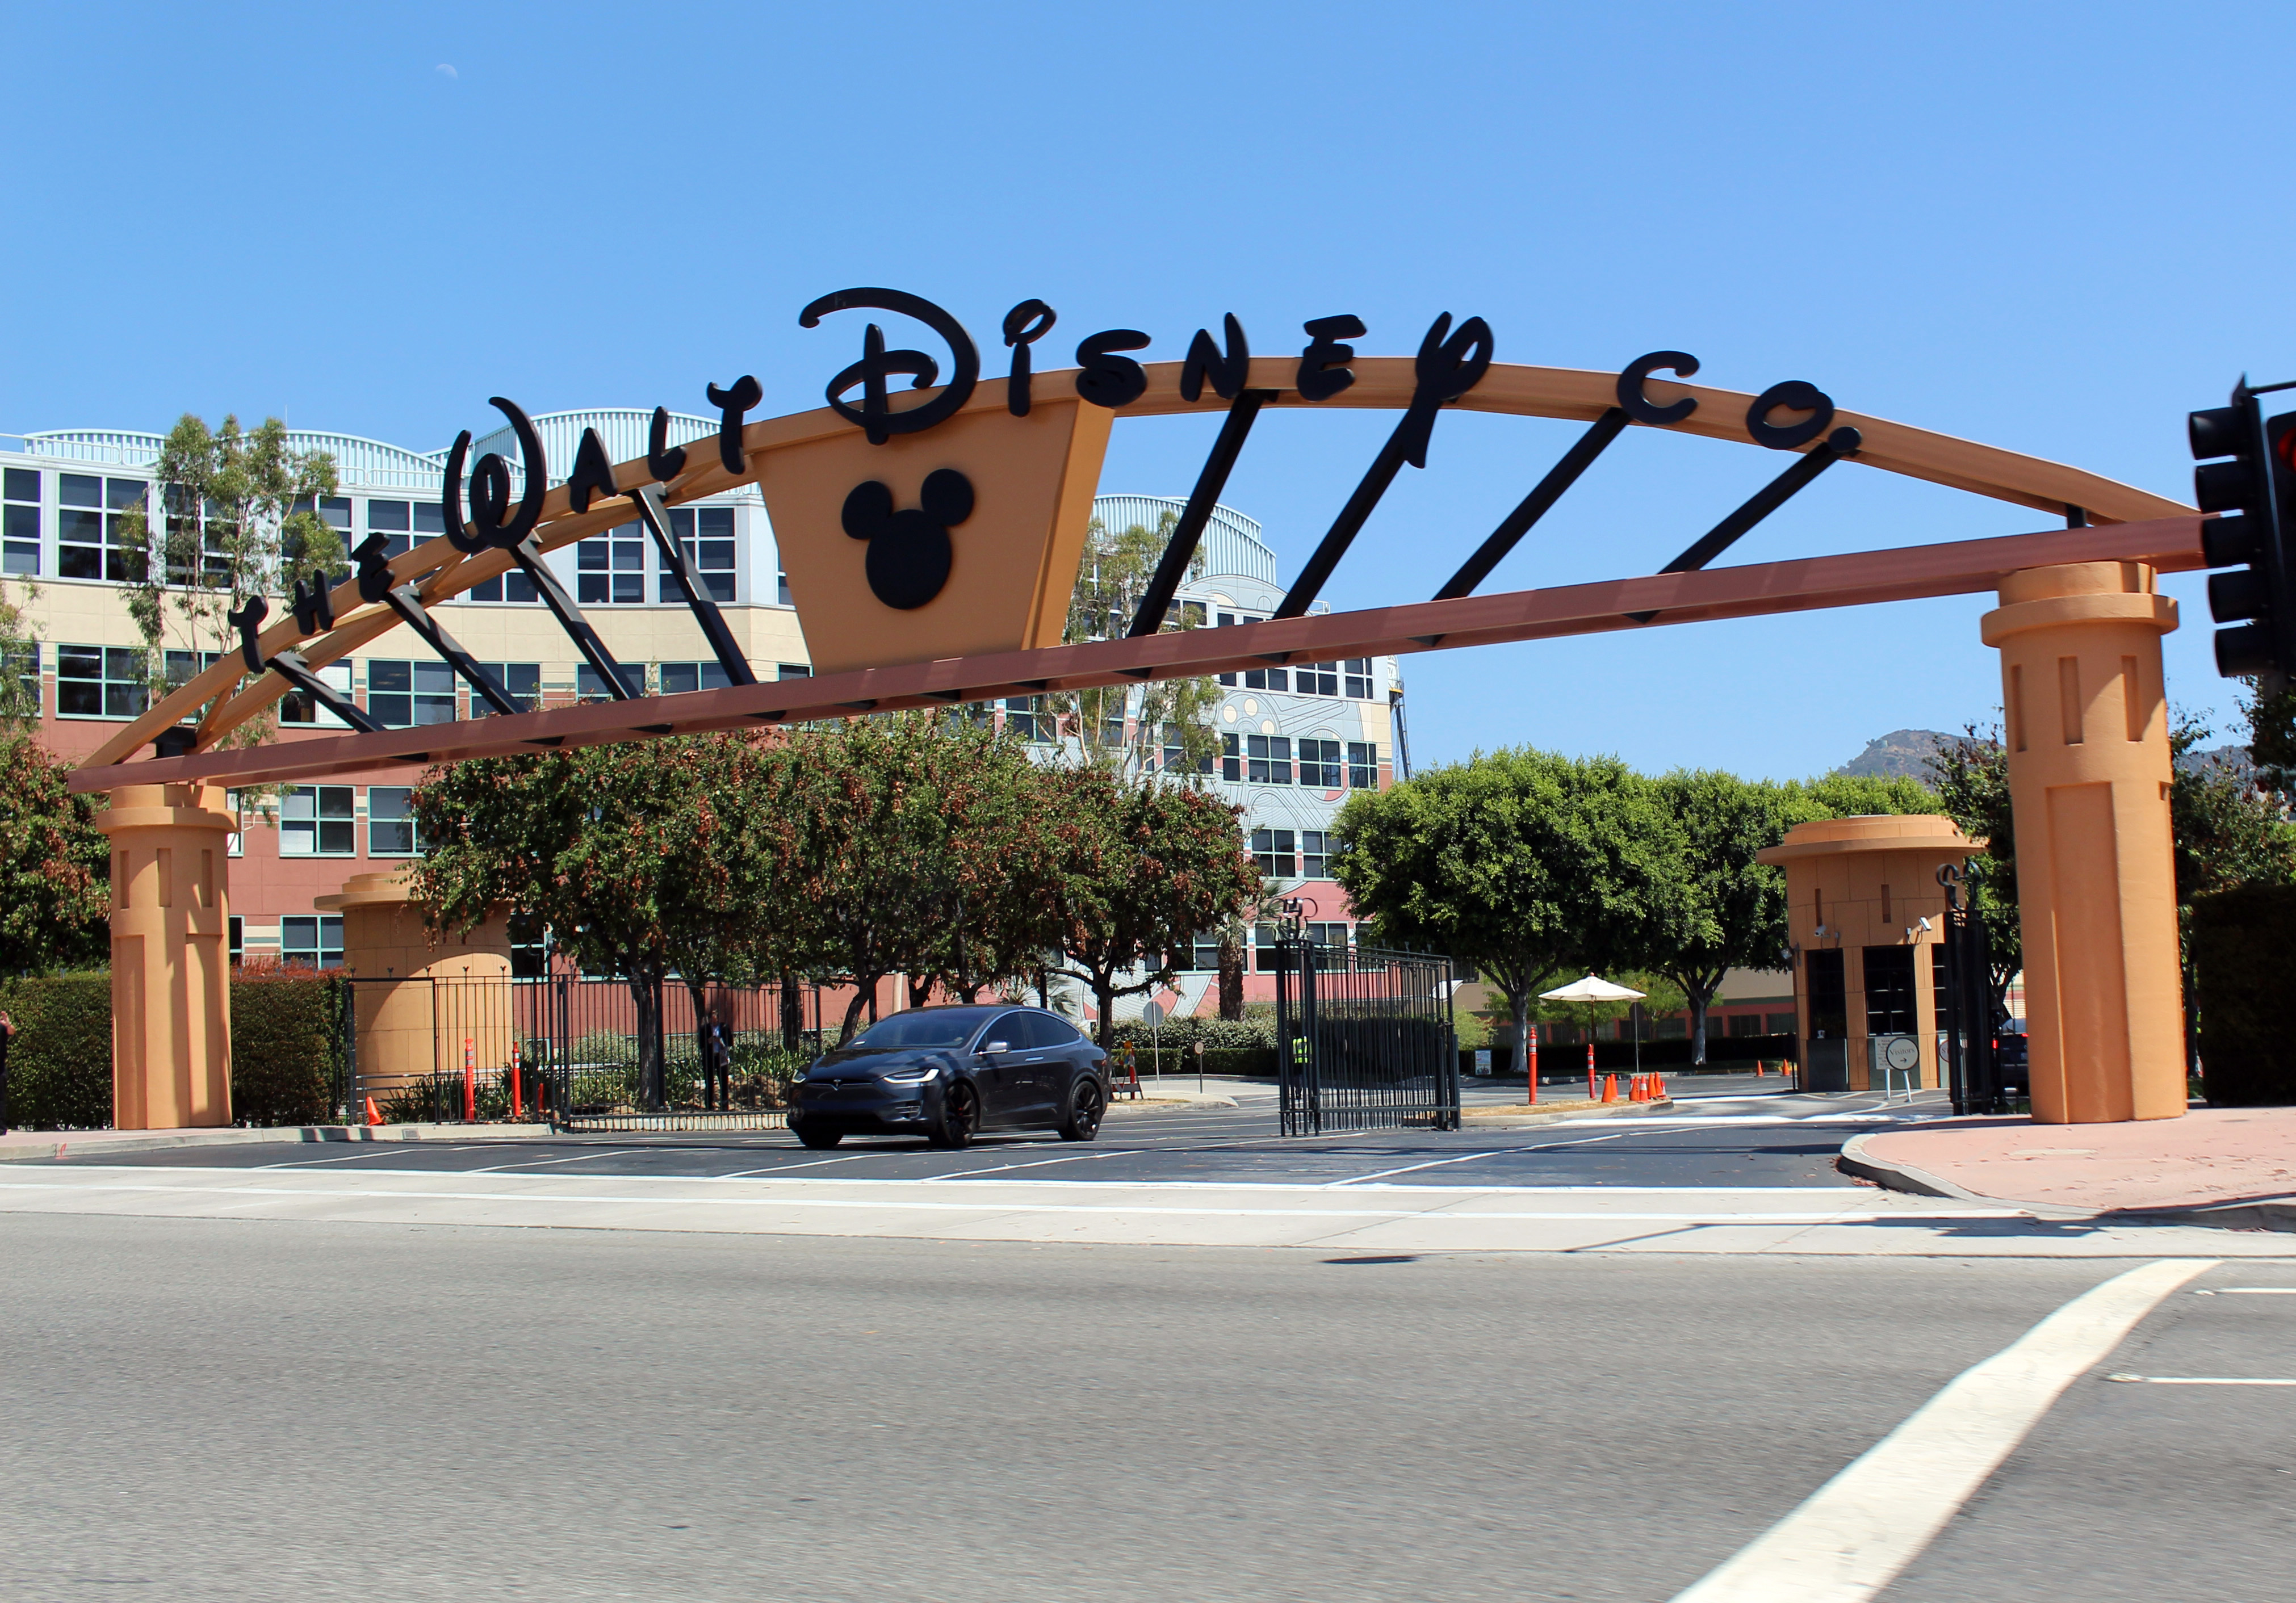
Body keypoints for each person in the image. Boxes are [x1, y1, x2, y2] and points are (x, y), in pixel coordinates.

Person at [0, 1008, 14, 1136]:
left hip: (0, 1067)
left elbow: (12, 1031)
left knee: (1, 1098)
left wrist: (8, 1023)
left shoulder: (3, 1026)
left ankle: (1, 1127)